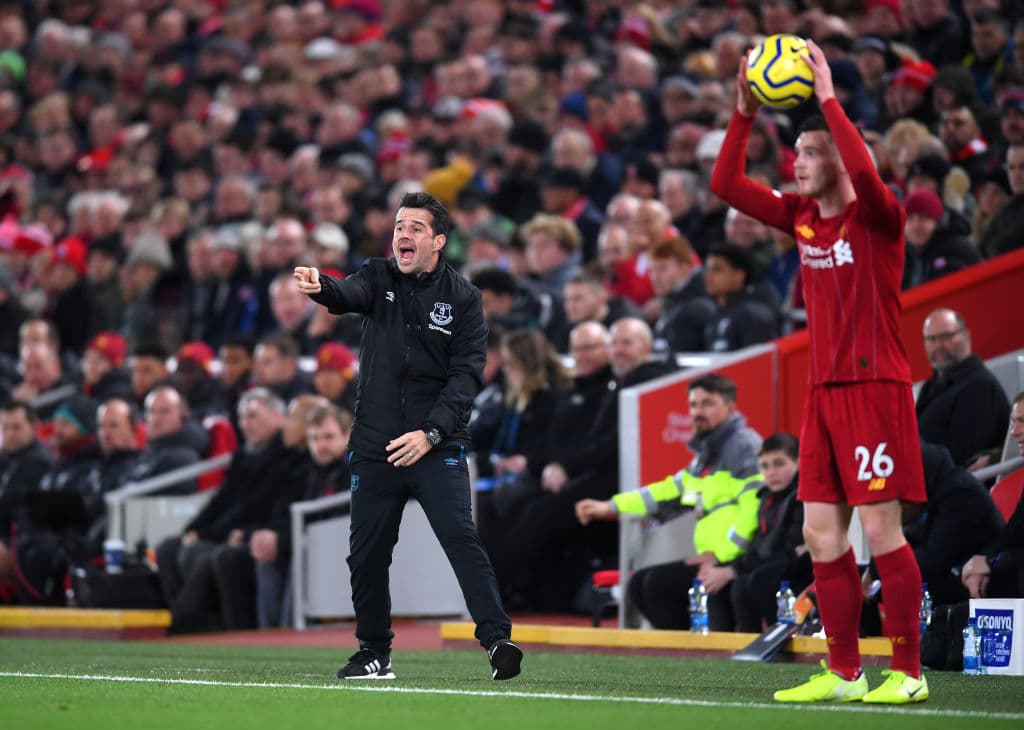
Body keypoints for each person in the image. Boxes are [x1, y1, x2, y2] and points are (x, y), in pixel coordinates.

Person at [710, 41, 929, 704]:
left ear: (835, 157)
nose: (795, 165)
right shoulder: (801, 218)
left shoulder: (878, 218)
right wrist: (742, 113)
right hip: (823, 395)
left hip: (875, 389)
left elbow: (868, 175)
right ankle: (842, 671)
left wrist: (829, 100)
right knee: (817, 532)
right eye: (795, 154)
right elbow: (726, 186)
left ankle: (910, 674)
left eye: (807, 154)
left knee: (882, 530)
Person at [294, 191, 522, 681]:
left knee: (460, 538)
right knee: (367, 554)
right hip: (375, 446)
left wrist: (432, 433)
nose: (403, 234)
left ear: (437, 241)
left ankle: (497, 640)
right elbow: (346, 295)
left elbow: (466, 377)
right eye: (399, 225)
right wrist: (320, 287)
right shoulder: (378, 276)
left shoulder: (464, 299)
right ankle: (375, 652)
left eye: (416, 228)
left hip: (435, 444)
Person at [575, 373, 763, 631]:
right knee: (641, 584)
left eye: (707, 403)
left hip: (735, 558)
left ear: (731, 407)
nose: (697, 411)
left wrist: (722, 556)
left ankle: (692, 655)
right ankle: (686, 656)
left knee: (655, 585)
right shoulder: (704, 456)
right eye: (693, 405)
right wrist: (611, 506)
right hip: (709, 558)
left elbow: (754, 508)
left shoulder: (742, 446)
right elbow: (664, 491)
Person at [915, 309, 1010, 469]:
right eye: (931, 339)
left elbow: (962, 456)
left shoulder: (980, 386)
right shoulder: (929, 387)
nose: (938, 345)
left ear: (966, 335)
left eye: (946, 336)